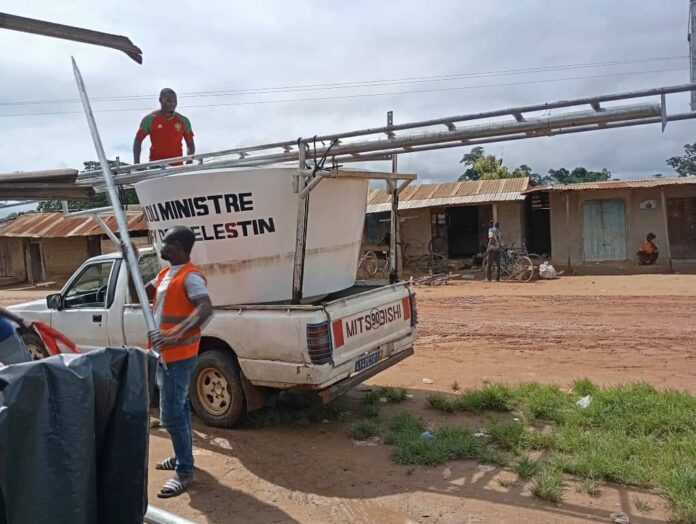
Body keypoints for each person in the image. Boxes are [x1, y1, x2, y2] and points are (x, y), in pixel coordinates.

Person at [125, 227, 212, 498]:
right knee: (181, 408)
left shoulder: (190, 276)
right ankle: (180, 457)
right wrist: (131, 262)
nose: (162, 246)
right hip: (164, 355)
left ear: (179, 246)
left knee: (171, 416)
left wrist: (175, 334)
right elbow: (137, 295)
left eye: (167, 242)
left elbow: (206, 308)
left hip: (179, 357)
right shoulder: (165, 274)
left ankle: (185, 471)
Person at [133, 88, 195, 165]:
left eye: (174, 101)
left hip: (177, 166)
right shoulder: (150, 119)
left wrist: (189, 160)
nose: (172, 103)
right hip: (156, 166)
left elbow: (190, 144)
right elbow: (138, 140)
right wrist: (137, 163)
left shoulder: (183, 121)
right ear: (160, 100)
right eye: (169, 100)